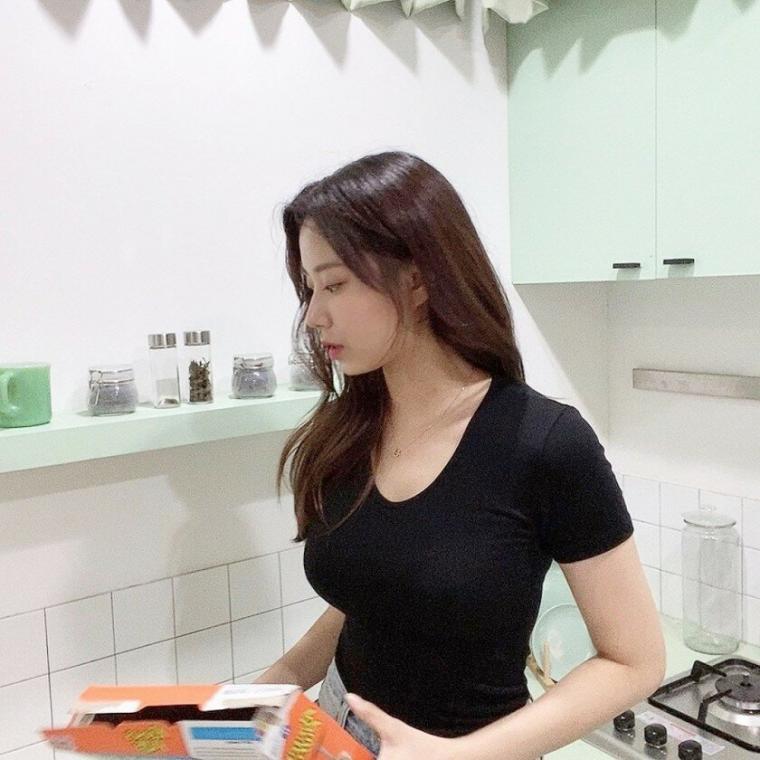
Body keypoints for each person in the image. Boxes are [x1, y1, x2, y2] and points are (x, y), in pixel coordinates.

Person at [255, 151, 666, 760]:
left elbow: (635, 661)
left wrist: (456, 755)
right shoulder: (349, 432)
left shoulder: (544, 443)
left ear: (418, 278)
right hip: (337, 734)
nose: (314, 316)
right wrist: (278, 682)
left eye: (334, 284)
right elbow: (376, 596)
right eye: (310, 290)